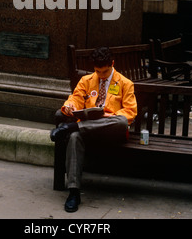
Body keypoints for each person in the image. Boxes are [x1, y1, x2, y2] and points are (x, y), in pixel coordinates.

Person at [50, 46, 137, 213]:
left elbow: (130, 112)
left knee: (121, 122)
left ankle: (72, 126)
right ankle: (74, 192)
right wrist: (69, 107)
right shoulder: (87, 80)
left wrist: (109, 116)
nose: (101, 75)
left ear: (112, 64)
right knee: (75, 137)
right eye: (98, 71)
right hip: (88, 130)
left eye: (104, 72)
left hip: (111, 130)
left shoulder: (126, 83)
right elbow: (75, 98)